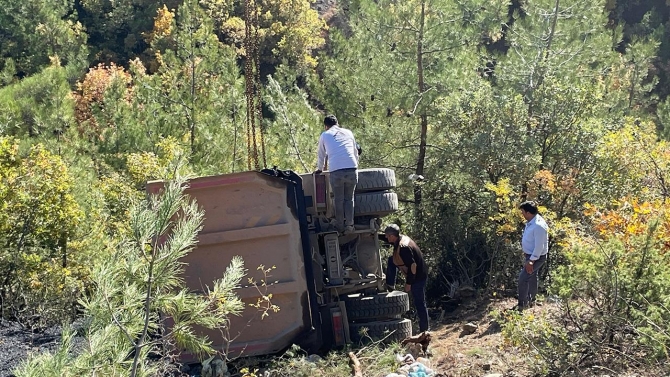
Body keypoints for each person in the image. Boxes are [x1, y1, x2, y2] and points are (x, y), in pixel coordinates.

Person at [315, 114, 359, 234]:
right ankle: (350, 225)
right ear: (337, 123)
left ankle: (340, 226)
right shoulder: (348, 132)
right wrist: (355, 166)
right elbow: (355, 151)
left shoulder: (325, 135)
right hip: (351, 168)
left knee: (339, 200)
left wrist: (319, 168)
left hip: (336, 171)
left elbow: (321, 154)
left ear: (326, 126)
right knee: (349, 199)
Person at [384, 224, 429, 333]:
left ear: (392, 236)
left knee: (419, 302)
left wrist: (409, 283)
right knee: (391, 260)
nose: (386, 238)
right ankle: (390, 285)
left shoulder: (403, 248)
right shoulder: (401, 238)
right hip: (416, 274)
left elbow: (412, 266)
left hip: (417, 277)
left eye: (387, 236)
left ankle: (424, 330)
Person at [517, 201, 549, 310]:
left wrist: (531, 261)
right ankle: (531, 300)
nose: (522, 215)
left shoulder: (538, 225)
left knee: (523, 278)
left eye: (523, 212)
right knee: (531, 277)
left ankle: (522, 305)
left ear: (528, 212)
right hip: (531, 256)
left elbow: (539, 246)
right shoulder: (532, 221)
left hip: (536, 257)